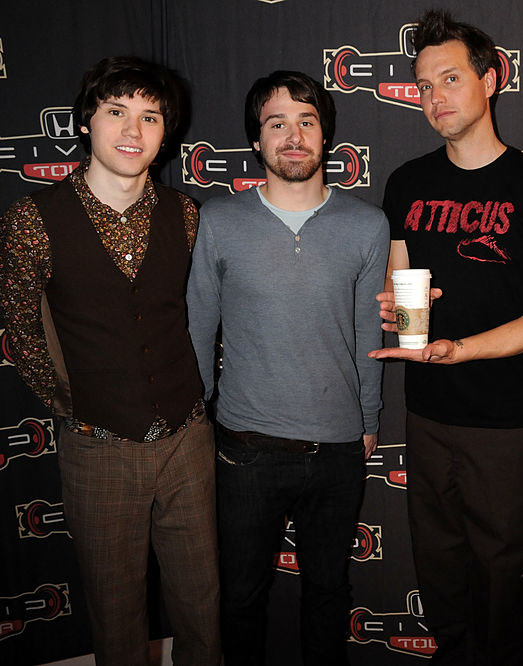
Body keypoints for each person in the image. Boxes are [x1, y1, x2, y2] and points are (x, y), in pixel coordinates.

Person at [368, 9, 523, 665]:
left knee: (503, 593)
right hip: (429, 418)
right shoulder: (407, 183)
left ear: (492, 78)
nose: (434, 97)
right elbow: (404, 291)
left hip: (509, 427)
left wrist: (462, 348)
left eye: (450, 78)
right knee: (443, 586)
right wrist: (401, 318)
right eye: (424, 85)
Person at [0, 56, 219, 664]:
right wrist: (79, 409)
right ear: (87, 122)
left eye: (150, 117)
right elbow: (22, 336)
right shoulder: (31, 222)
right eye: (117, 111)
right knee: (117, 619)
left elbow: (199, 317)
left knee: (203, 609)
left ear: (165, 133)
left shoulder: (187, 215)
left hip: (186, 441)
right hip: (98, 449)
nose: (132, 130)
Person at [186, 70, 389, 665]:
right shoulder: (219, 221)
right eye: (277, 123)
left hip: (338, 450)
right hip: (246, 450)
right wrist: (199, 419)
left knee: (329, 592)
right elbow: (199, 326)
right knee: (241, 597)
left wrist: (368, 416)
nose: (293, 136)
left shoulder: (366, 225)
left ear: (326, 136)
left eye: (307, 122)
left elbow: (365, 330)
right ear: (257, 140)